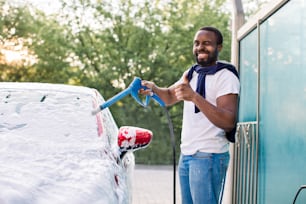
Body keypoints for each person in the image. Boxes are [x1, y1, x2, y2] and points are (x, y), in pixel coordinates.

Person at [140, 26, 240, 204]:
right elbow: (170, 96)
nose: (200, 47)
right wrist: (154, 89)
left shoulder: (225, 76)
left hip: (209, 155)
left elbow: (228, 121)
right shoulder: (191, 73)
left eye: (207, 43)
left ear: (219, 47)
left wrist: (194, 96)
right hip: (187, 154)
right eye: (197, 43)